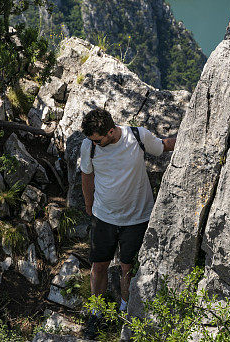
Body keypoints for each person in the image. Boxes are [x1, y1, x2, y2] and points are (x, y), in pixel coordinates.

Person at [79, 109, 175, 329]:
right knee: (99, 265)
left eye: (97, 139)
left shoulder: (137, 136)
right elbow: (87, 175)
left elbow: (164, 146)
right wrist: (88, 204)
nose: (94, 143)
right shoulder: (89, 146)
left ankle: (124, 310)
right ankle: (97, 311)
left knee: (127, 267)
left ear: (111, 131)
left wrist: (194, 139)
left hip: (137, 217)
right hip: (104, 216)